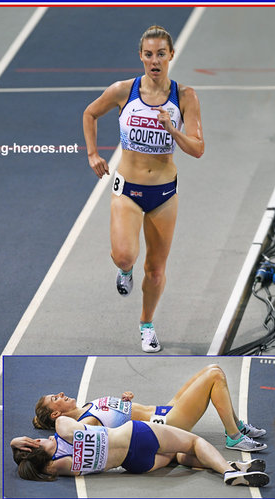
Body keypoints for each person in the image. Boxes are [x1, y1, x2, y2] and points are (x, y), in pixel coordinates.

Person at [83, 25, 204, 353]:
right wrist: (93, 153)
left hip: (164, 194)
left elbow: (197, 148)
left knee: (155, 270)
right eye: (148, 54)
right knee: (125, 255)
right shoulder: (123, 91)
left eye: (160, 54)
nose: (154, 60)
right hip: (127, 189)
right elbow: (90, 113)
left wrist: (171, 128)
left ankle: (146, 325)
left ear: (171, 56)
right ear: (141, 56)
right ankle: (124, 270)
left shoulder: (185, 96)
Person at [32, 365, 267, 452]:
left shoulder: (87, 405)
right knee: (215, 376)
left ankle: (236, 426)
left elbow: (118, 414)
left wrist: (125, 400)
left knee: (212, 368)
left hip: (165, 409)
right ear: (56, 414)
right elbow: (77, 435)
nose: (61, 394)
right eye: (56, 398)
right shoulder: (87, 421)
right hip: (167, 423)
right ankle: (234, 437)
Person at [11, 415, 270, 488]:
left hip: (135, 464)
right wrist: (16, 442)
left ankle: (237, 469)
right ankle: (227, 469)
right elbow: (77, 426)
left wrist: (27, 452)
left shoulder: (55, 466)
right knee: (192, 443)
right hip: (136, 434)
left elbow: (36, 464)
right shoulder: (61, 426)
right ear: (30, 445)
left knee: (177, 456)